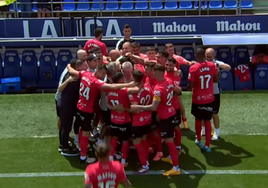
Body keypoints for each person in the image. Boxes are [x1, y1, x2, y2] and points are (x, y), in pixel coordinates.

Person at [67, 64, 139, 163]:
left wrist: (68, 65)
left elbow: (72, 71)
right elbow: (110, 87)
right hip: (87, 110)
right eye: (103, 74)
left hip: (79, 106)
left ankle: (81, 149)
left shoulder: (85, 73)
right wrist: (129, 84)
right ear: (98, 71)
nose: (103, 76)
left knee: (82, 130)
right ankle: (83, 157)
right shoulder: (96, 82)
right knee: (85, 133)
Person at [131, 64, 181, 176]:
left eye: (153, 72)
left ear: (157, 72)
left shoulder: (158, 89)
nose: (152, 73)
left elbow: (153, 107)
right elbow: (177, 90)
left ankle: (176, 167)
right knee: (170, 140)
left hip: (166, 117)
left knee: (169, 142)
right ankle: (171, 158)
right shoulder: (169, 81)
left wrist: (138, 107)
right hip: (171, 112)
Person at [105, 71, 140, 167]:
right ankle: (124, 161)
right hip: (124, 120)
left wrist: (113, 108)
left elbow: (107, 103)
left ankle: (111, 158)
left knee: (114, 138)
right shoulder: (125, 90)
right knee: (125, 141)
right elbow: (137, 89)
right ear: (120, 80)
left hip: (113, 119)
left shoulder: (109, 90)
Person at [188, 48, 218, 153]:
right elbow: (215, 79)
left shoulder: (193, 68)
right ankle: (208, 145)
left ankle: (199, 139)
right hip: (210, 97)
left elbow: (190, 86)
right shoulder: (212, 65)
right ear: (205, 55)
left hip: (198, 99)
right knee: (208, 121)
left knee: (198, 120)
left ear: (196, 56)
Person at [58, 59, 88, 156]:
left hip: (68, 104)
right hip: (68, 105)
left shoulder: (71, 75)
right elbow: (60, 88)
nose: (86, 66)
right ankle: (65, 148)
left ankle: (63, 144)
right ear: (78, 67)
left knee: (66, 125)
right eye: (84, 64)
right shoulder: (75, 78)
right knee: (66, 126)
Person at [128, 70, 152, 173]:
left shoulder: (133, 92)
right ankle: (146, 161)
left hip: (138, 121)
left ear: (133, 78)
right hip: (148, 118)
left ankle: (144, 165)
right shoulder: (148, 88)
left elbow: (133, 108)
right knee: (144, 140)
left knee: (137, 142)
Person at [204, 48, 231, 140]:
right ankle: (204, 130)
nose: (208, 58)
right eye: (207, 56)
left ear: (214, 56)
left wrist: (217, 65)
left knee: (214, 113)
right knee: (203, 112)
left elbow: (228, 67)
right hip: (204, 91)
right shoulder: (201, 63)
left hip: (215, 91)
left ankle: (217, 131)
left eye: (210, 56)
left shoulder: (217, 62)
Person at [164, 57, 182, 151]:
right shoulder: (163, 74)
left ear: (175, 65)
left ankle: (178, 146)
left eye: (171, 65)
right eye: (167, 65)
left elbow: (176, 91)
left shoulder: (176, 76)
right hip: (164, 107)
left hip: (174, 106)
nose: (168, 67)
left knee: (176, 126)